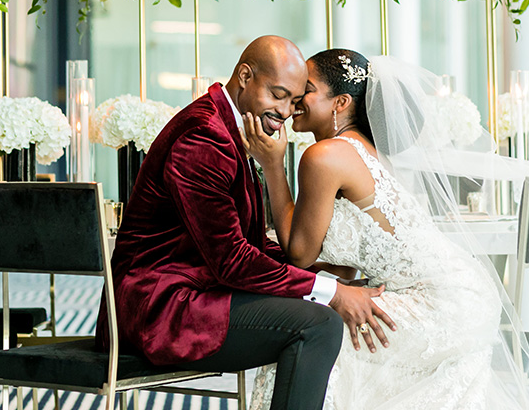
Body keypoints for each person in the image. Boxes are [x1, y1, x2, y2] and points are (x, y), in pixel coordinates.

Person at [244, 49, 529, 409]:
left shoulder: (321, 157)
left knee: (318, 340)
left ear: (341, 103)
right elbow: (336, 248)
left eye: (307, 90)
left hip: (444, 303)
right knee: (332, 332)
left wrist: (271, 165)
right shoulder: (364, 151)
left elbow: (299, 252)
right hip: (460, 291)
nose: (294, 101)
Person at [98, 36, 396, 410]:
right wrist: (331, 292)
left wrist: (326, 274)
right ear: (245, 76)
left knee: (321, 313)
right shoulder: (204, 136)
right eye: (278, 94)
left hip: (195, 291)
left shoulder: (231, 128)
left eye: (293, 100)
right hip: (158, 309)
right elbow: (233, 260)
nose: (286, 111)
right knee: (318, 325)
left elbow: (246, 241)